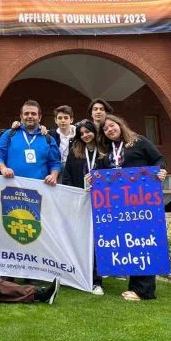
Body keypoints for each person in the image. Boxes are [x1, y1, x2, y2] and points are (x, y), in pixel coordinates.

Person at [98, 114, 167, 301]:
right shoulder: (108, 152)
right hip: (121, 205)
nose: (110, 130)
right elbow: (101, 174)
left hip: (142, 202)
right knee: (132, 244)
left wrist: (161, 172)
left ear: (120, 125)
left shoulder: (138, 141)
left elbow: (159, 159)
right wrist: (92, 178)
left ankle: (144, 291)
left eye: (112, 126)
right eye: (105, 129)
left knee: (144, 241)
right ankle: (135, 287)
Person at [62, 120, 105, 295]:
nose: (86, 135)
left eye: (88, 132)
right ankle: (78, 275)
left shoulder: (104, 153)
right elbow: (67, 177)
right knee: (80, 240)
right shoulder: (75, 153)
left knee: (97, 242)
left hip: (101, 202)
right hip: (81, 203)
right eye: (82, 133)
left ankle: (96, 281)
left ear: (94, 132)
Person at [0, 100, 61, 185]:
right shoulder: (9, 134)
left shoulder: (49, 139)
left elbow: (55, 163)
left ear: (40, 117)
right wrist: (3, 168)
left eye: (33, 114)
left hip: (40, 189)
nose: (30, 116)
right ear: (21, 117)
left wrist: (53, 176)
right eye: (26, 113)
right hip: (12, 187)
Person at [49, 105, 76, 176]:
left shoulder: (78, 135)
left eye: (66, 118)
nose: (63, 120)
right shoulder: (50, 134)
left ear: (71, 120)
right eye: (60, 118)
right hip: (55, 170)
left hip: (73, 170)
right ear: (55, 120)